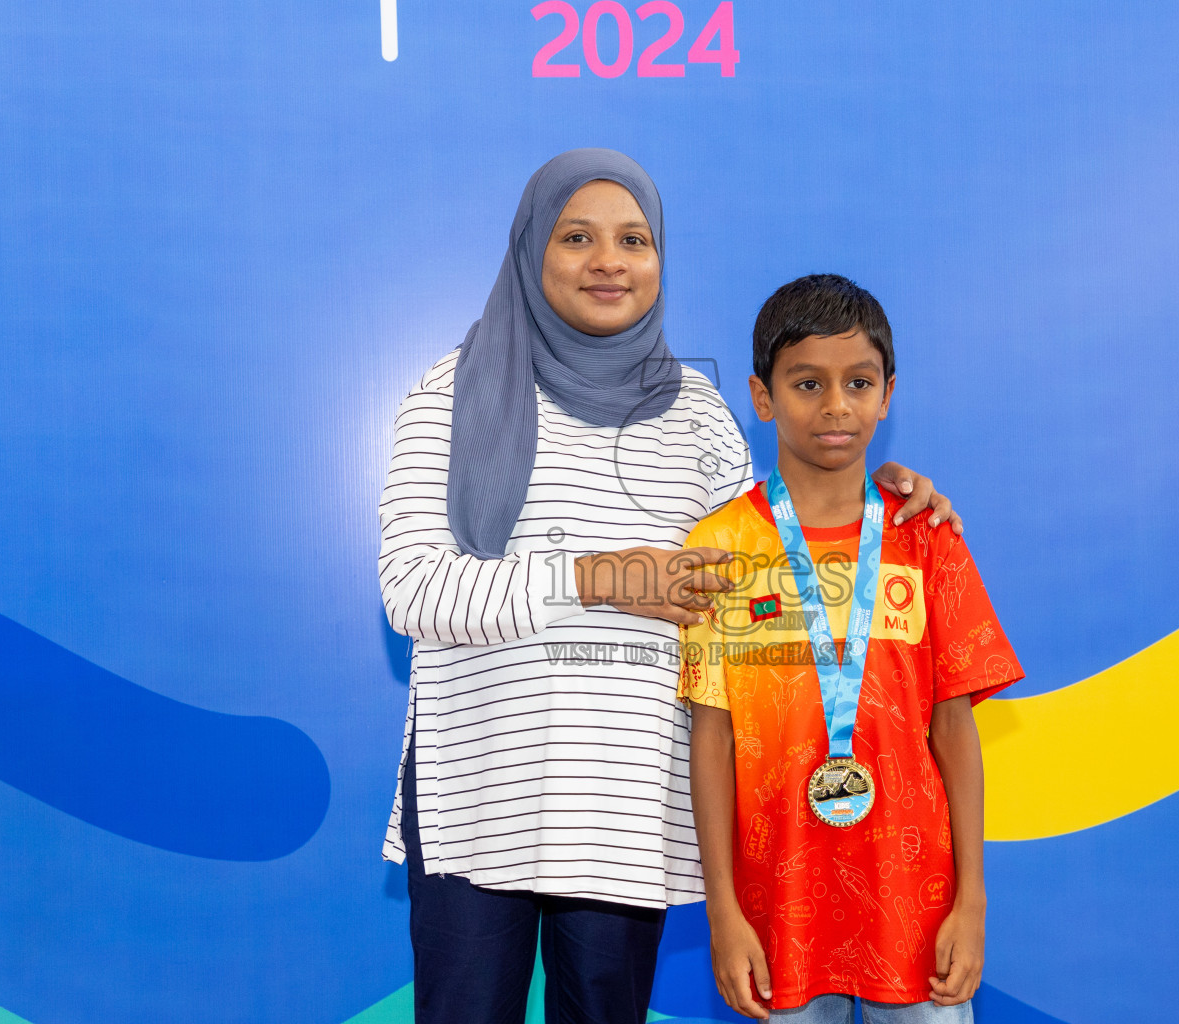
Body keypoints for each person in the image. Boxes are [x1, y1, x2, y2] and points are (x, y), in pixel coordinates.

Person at [379, 151, 961, 1024]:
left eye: (634, 239)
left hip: (628, 809)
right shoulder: (449, 395)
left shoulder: (696, 414)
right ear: (532, 249)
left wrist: (886, 497)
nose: (608, 261)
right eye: (577, 237)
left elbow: (770, 566)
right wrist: (597, 579)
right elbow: (414, 590)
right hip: (481, 803)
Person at [680, 274, 1024, 1022]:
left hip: (917, 915)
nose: (836, 405)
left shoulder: (927, 537)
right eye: (807, 383)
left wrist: (972, 901)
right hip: (779, 916)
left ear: (887, 395)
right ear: (762, 397)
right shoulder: (721, 547)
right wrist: (723, 914)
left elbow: (955, 728)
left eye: (858, 383)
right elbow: (711, 737)